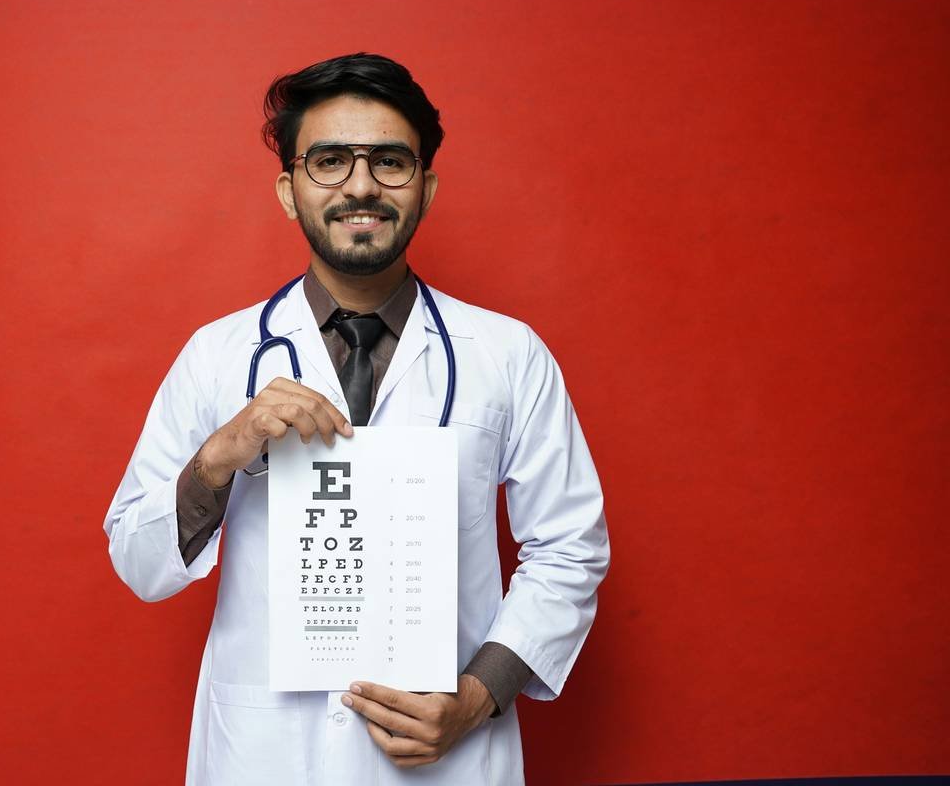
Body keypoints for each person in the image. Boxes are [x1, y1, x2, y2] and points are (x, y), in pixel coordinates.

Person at [103, 52, 610, 786]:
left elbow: (570, 548)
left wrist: (478, 696)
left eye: (390, 162)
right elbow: (138, 561)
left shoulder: (507, 354)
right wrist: (220, 455)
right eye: (331, 161)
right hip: (266, 756)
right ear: (289, 191)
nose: (361, 186)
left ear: (426, 187)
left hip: (448, 758)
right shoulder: (217, 356)